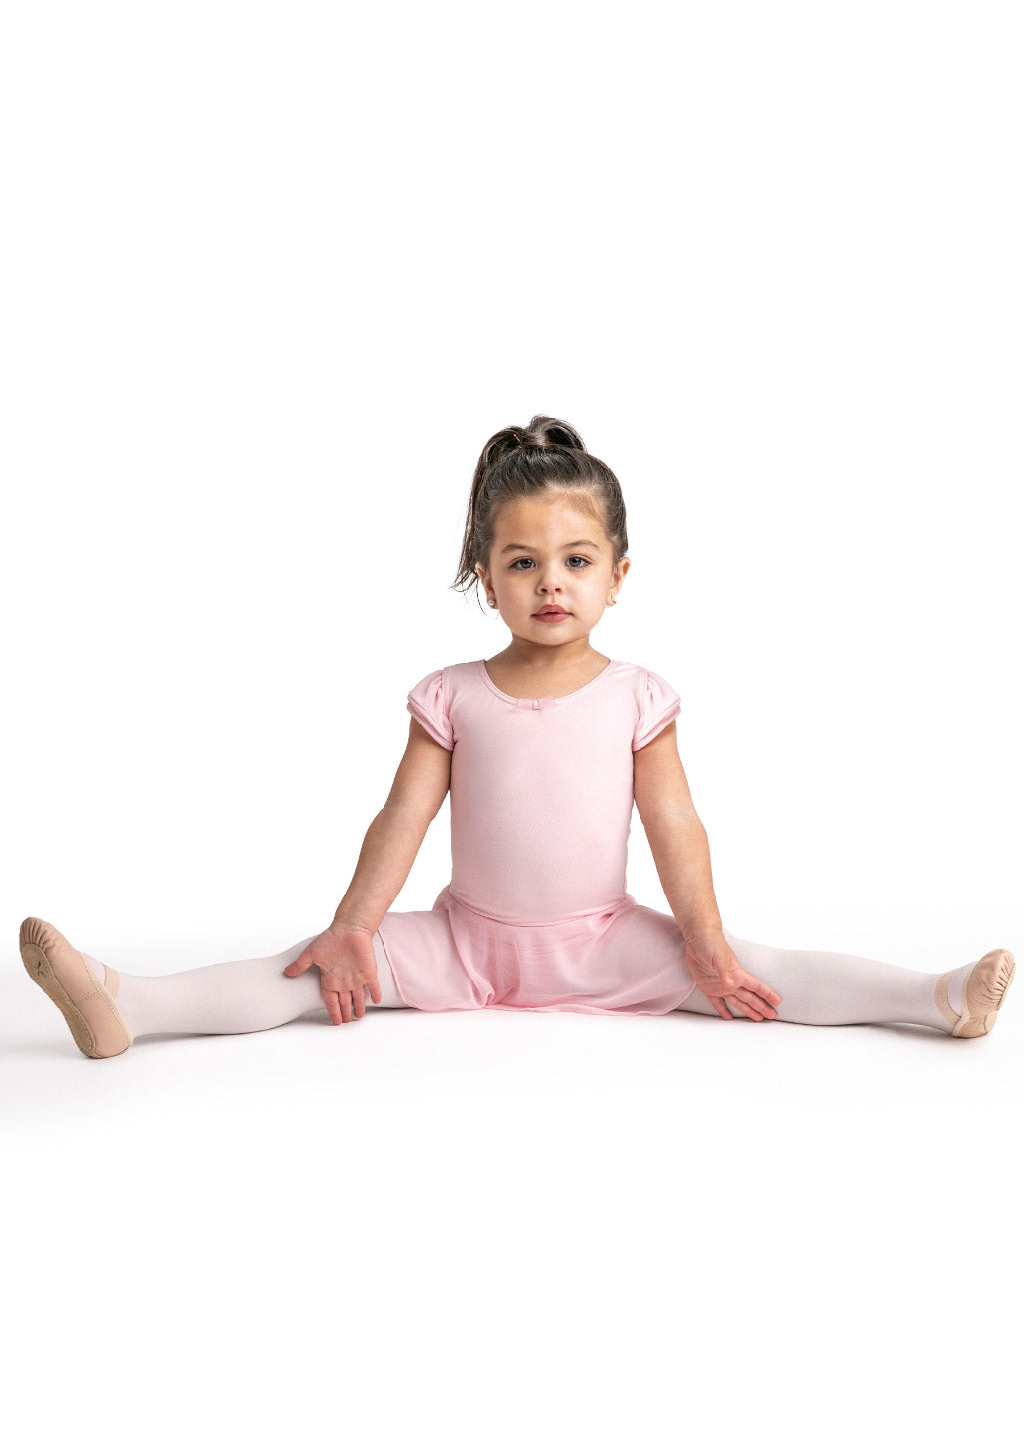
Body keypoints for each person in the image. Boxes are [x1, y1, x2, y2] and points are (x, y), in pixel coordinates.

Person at [20, 416, 1016, 1057]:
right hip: (461, 942)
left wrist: (704, 943)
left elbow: (676, 826)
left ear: (617, 574)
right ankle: (128, 1003)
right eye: (523, 561)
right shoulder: (451, 695)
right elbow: (402, 817)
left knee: (762, 971)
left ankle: (935, 997)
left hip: (608, 943)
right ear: (484, 575)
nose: (550, 583)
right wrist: (357, 924)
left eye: (576, 560)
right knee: (307, 968)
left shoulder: (638, 696)